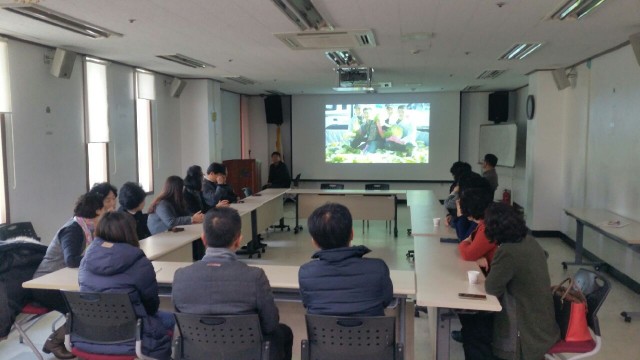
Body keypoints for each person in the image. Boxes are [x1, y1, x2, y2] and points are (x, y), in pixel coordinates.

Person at [172, 207, 293, 360]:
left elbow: (180, 324)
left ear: (203, 239)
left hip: (199, 352)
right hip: (247, 353)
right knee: (283, 332)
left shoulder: (181, 276)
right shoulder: (254, 277)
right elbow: (270, 324)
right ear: (238, 241)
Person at [78, 211, 173, 359]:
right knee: (175, 319)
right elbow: (151, 306)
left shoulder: (86, 259)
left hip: (90, 335)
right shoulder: (139, 262)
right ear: (129, 232)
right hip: (132, 336)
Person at [32, 193, 105, 359]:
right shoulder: (73, 229)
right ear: (97, 210)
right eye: (105, 208)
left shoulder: (86, 228)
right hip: (45, 285)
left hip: (62, 281)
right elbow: (71, 260)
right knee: (86, 309)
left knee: (94, 302)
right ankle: (54, 341)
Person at [484, 203, 560, 360]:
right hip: (543, 324)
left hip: (526, 331)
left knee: (478, 328)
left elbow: (491, 288)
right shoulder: (529, 241)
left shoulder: (507, 251)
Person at [299, 203, 393, 316]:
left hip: (326, 333)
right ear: (352, 234)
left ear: (314, 242)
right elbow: (386, 300)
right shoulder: (378, 268)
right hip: (370, 332)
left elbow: (307, 303)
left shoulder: (306, 273)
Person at [454, 187, 498, 359]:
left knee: (472, 323)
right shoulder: (485, 223)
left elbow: (467, 251)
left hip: (494, 283)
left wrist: (466, 245)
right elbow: (468, 244)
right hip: (491, 276)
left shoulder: (487, 227)